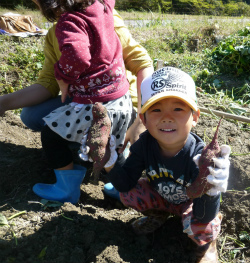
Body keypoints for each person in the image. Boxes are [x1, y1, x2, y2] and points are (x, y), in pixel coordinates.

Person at [23, 0, 152, 204]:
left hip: (93, 103)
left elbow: (78, 56)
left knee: (51, 134)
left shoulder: (69, 22)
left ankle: (67, 187)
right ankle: (124, 188)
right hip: (121, 101)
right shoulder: (103, 8)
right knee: (113, 141)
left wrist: (62, 76)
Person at [104, 67, 231, 263]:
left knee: (203, 225)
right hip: (163, 199)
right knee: (129, 193)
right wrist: (110, 161)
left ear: (195, 116)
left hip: (193, 206)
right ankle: (158, 216)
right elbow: (125, 183)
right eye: (156, 109)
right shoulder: (143, 146)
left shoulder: (199, 157)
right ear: (143, 119)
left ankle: (207, 245)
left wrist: (211, 191)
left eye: (178, 108)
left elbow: (203, 214)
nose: (167, 117)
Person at [0, 2, 153, 150]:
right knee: (31, 115)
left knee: (114, 150)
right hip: (84, 98)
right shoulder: (56, 32)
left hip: (120, 100)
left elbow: (143, 64)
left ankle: (117, 141)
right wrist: (3, 103)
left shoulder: (103, 14)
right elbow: (48, 83)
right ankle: (86, 146)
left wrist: (142, 118)